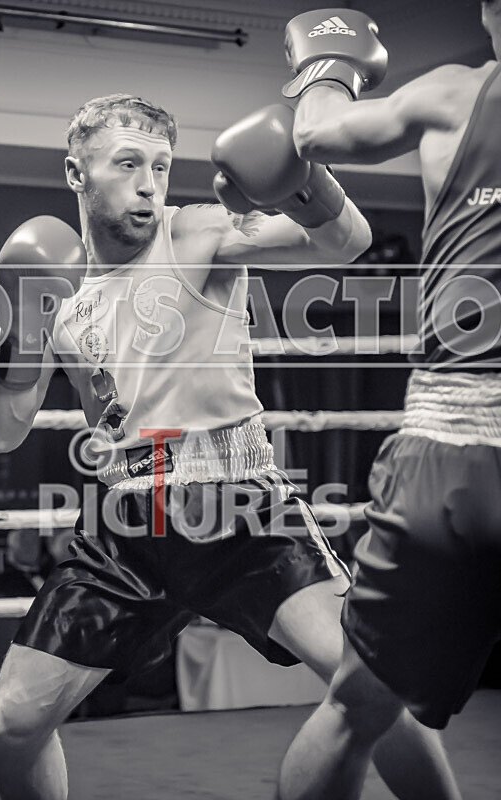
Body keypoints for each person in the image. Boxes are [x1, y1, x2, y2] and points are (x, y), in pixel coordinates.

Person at [0, 93, 459, 800]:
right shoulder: (59, 290)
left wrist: (304, 179)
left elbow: (344, 242)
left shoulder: (196, 232)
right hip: (123, 523)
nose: (149, 184)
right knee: (8, 725)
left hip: (236, 504)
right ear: (77, 173)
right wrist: (20, 332)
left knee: (372, 682)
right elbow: (0, 431)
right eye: (128, 164)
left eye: (161, 166)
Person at [274, 3, 501, 798]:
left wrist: (328, 62)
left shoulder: (455, 96)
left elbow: (314, 133)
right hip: (454, 447)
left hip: (455, 457)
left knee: (357, 705)